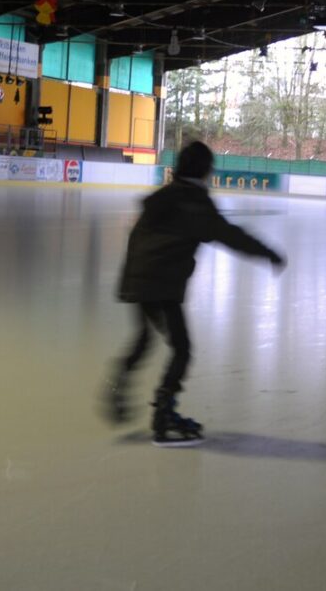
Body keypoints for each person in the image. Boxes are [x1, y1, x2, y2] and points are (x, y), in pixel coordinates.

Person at [103, 141, 286, 447]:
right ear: (205, 171)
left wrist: (133, 279)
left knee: (145, 338)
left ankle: (117, 382)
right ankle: (163, 418)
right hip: (161, 284)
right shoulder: (195, 204)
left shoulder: (162, 197)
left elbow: (137, 238)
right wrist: (268, 253)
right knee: (182, 349)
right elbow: (230, 235)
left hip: (137, 277)